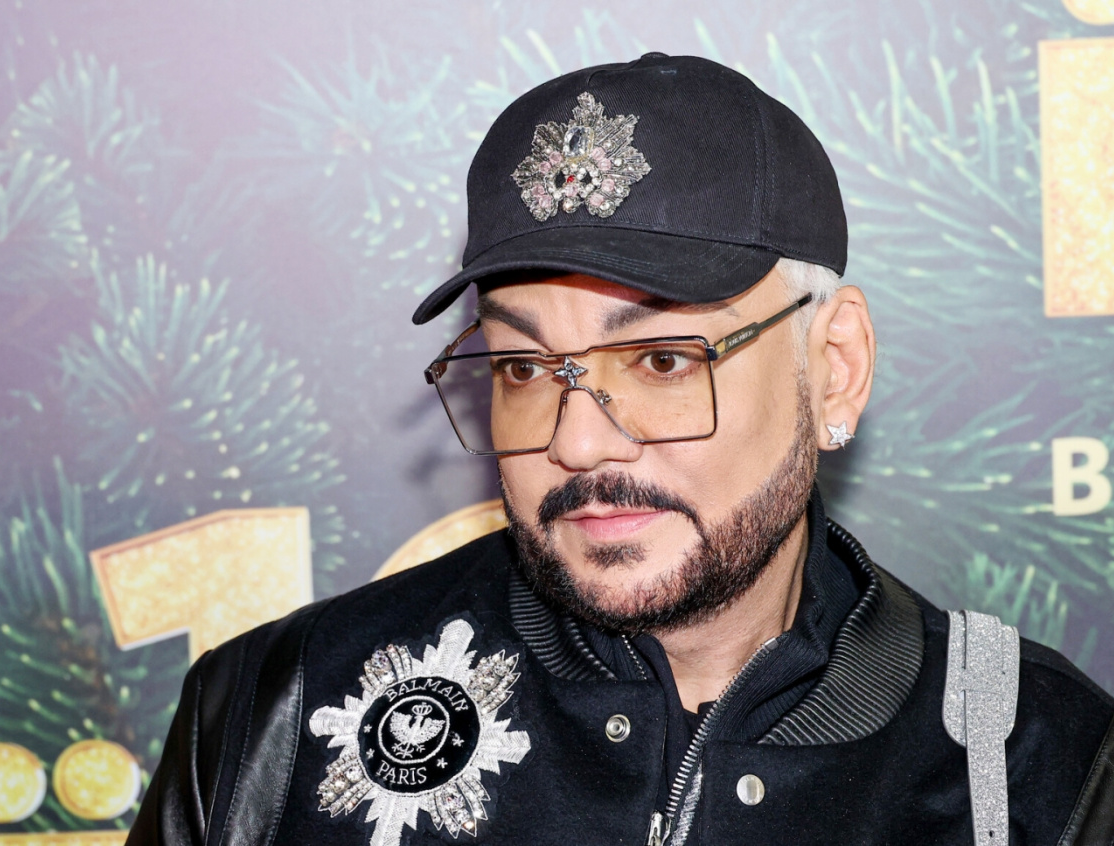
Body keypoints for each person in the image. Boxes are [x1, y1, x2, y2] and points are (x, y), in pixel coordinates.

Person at [127, 54, 1114, 846]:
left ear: (836, 366)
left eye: (662, 360)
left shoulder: (1038, 764)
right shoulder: (276, 713)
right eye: (522, 368)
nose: (578, 441)